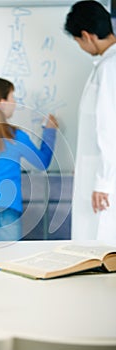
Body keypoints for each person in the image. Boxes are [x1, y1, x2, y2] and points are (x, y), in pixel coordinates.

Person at [0, 78, 58, 241]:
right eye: (12, 97)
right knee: (6, 260)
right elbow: (42, 163)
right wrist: (50, 132)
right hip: (8, 208)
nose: (15, 102)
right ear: (2, 102)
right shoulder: (17, 137)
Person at [64, 1, 116, 244]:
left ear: (86, 36)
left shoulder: (110, 68)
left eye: (77, 41)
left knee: (98, 241)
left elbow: (109, 128)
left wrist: (103, 182)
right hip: (97, 172)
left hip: (104, 178)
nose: (81, 46)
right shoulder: (105, 65)